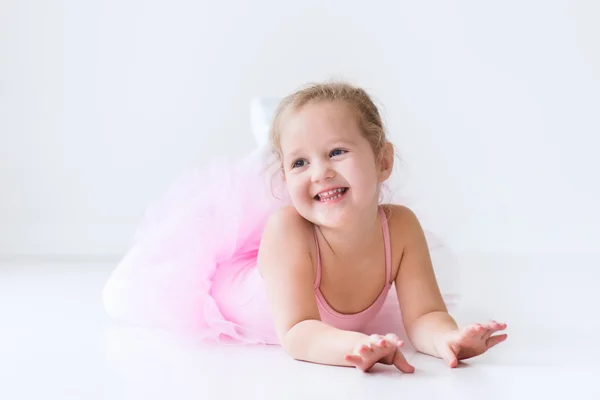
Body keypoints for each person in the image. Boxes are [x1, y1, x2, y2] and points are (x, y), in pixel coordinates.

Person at [102, 81, 507, 373]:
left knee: (301, 160)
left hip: (296, 265)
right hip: (223, 281)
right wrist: (357, 346)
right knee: (120, 294)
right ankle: (268, 147)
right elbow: (297, 333)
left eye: (337, 152)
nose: (322, 172)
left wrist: (447, 341)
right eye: (301, 163)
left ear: (383, 162)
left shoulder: (400, 227)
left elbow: (425, 316)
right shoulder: (288, 230)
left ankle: (281, 141)